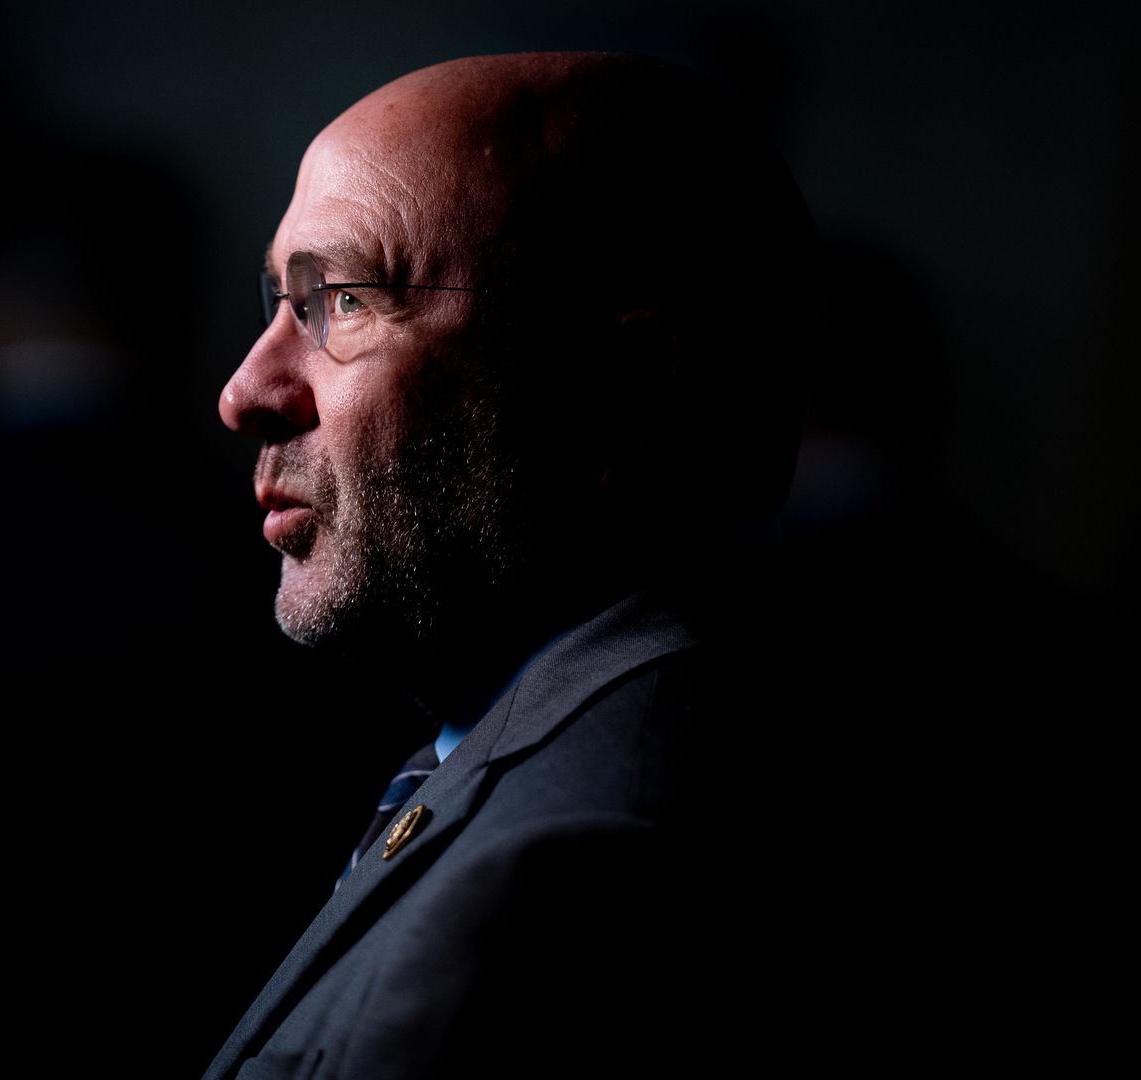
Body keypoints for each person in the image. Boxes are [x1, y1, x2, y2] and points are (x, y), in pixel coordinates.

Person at [205, 52, 818, 1079]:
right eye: (279, 299)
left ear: (617, 388)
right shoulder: (551, 752)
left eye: (345, 301)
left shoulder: (568, 885)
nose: (245, 391)